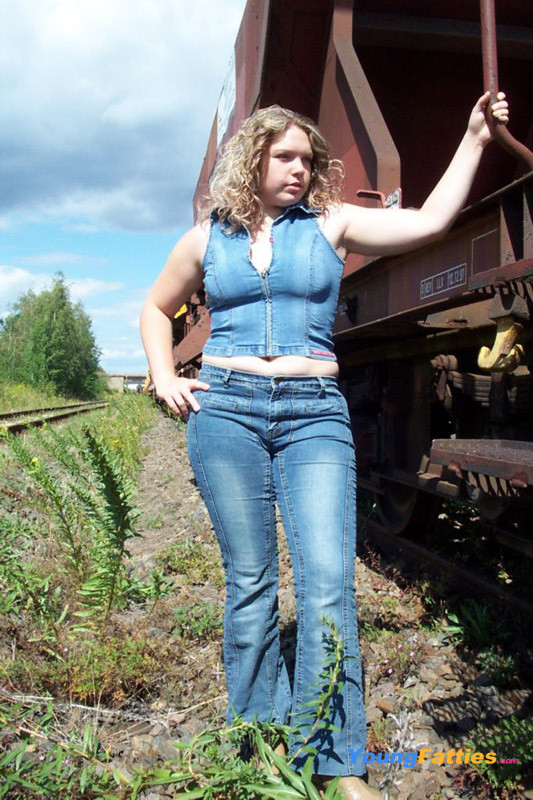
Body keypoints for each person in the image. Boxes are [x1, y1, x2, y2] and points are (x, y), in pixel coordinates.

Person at [140, 91, 509, 800]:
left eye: (307, 160)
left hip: (313, 414)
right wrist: (163, 374)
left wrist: (471, 138)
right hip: (227, 413)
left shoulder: (333, 225)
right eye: (283, 157)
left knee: (329, 587)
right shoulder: (203, 240)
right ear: (251, 160)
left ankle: (334, 761)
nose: (298, 171)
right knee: (249, 584)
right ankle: (255, 738)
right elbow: (156, 308)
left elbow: (431, 220)